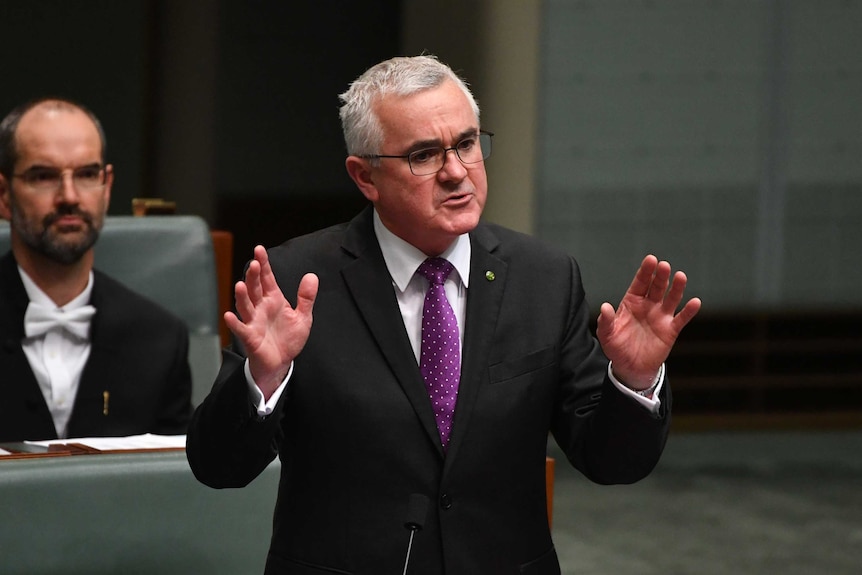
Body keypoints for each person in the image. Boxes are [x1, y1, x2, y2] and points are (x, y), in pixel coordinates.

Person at [187, 55, 701, 574]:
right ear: (365, 176)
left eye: (467, 144)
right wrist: (264, 377)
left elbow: (612, 462)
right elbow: (218, 468)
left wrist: (633, 382)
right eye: (424, 155)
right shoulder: (296, 283)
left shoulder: (543, 278)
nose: (457, 172)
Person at [0, 98, 193, 442]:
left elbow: (175, 488)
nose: (69, 196)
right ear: (3, 194)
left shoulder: (161, 339)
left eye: (87, 174)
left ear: (107, 187)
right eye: (44, 176)